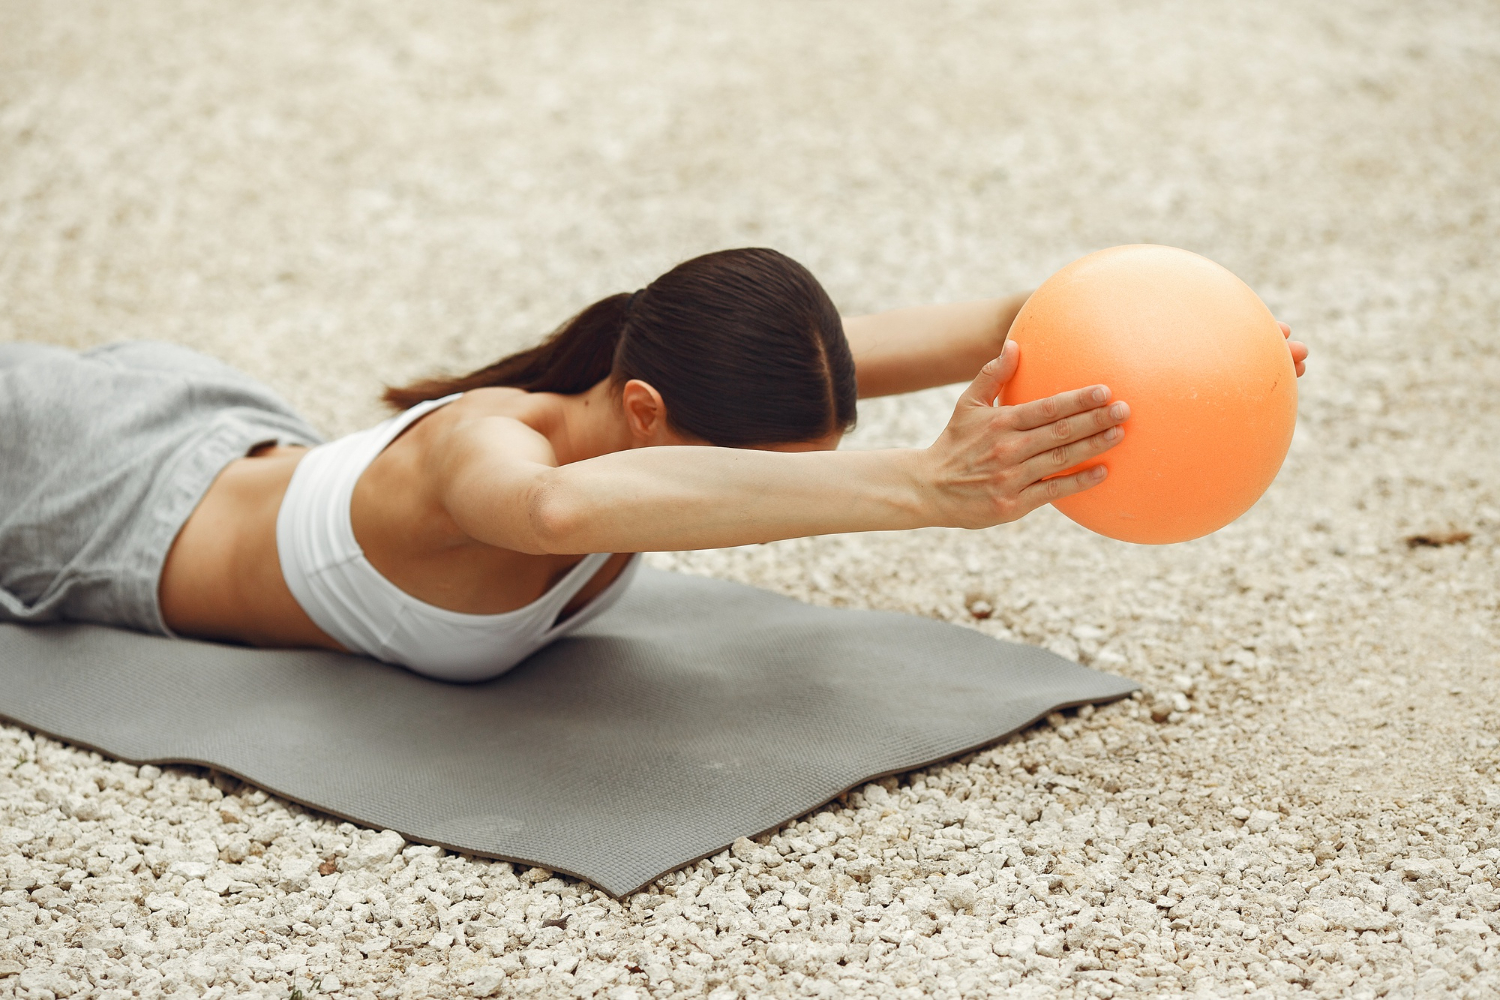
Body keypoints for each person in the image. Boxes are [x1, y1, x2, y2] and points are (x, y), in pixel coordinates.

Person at [0, 248, 1309, 682]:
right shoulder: (488, 457)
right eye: (778, 480)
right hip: (100, 496)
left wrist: (1197, 347)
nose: (790, 500)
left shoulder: (685, 398)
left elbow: (1011, 321)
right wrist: (923, 487)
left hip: (226, 429)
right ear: (643, 409)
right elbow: (563, 509)